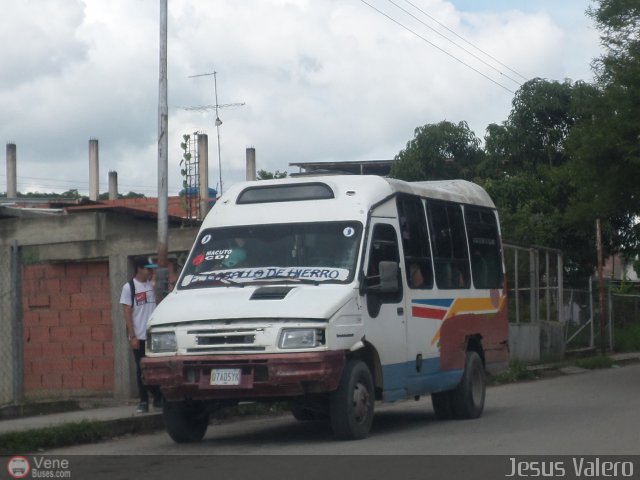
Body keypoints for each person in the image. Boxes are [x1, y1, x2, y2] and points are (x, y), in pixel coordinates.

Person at [120, 256, 162, 414]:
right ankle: (144, 401)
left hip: (153, 336)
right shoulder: (129, 287)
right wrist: (133, 336)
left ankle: (158, 397)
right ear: (139, 268)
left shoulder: (152, 286)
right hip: (139, 335)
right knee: (142, 370)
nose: (150, 271)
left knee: (156, 369)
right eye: (148, 268)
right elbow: (127, 312)